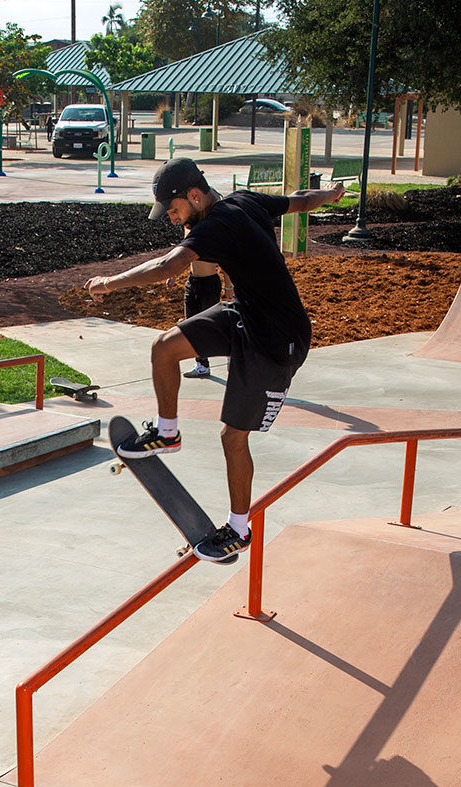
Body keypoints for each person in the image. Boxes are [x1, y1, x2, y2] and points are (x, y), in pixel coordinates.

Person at [86, 157, 345, 563]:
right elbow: (296, 201)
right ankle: (167, 433)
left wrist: (109, 282)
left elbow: (167, 266)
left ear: (193, 195)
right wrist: (328, 195)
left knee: (232, 437)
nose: (174, 220)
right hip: (245, 312)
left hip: (277, 339)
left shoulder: (218, 224)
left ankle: (239, 530)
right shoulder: (244, 201)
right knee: (165, 347)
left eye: (174, 211)